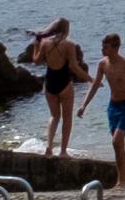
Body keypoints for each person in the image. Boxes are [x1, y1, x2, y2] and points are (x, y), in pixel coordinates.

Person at [31, 19, 90, 156]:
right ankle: (63, 151)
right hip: (64, 82)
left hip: (50, 82)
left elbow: (36, 61)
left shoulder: (45, 43)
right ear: (67, 30)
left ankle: (49, 146)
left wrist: (35, 46)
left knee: (54, 116)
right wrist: (90, 79)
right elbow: (74, 67)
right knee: (67, 118)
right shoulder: (70, 45)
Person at [94, 32, 125, 183]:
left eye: (106, 47)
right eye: (102, 46)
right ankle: (122, 178)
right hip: (113, 107)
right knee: (118, 145)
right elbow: (95, 85)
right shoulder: (103, 64)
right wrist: (83, 105)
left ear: (115, 48)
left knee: (116, 141)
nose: (102, 49)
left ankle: (123, 179)